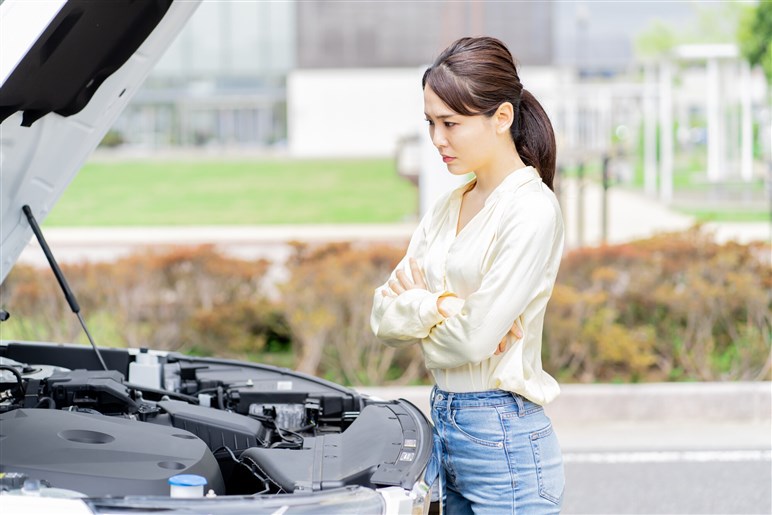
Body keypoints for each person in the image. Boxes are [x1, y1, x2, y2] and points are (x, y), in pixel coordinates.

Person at [370, 36, 565, 514]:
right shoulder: (449, 204)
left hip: (504, 435)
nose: (437, 139)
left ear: (501, 117)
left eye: (451, 123)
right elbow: (381, 317)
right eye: (431, 123)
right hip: (445, 421)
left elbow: (472, 343)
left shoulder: (530, 209)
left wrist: (422, 314)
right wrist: (442, 307)